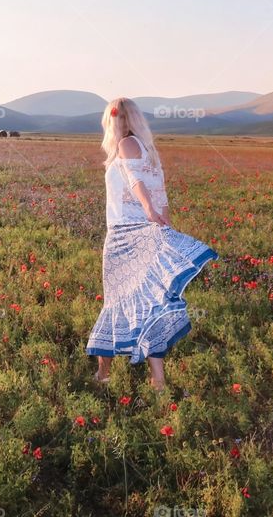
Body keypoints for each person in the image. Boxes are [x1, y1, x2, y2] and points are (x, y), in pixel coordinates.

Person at [85, 97, 219, 392]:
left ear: (114, 120)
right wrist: (164, 225)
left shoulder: (126, 145)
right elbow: (162, 194)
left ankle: (103, 376)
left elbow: (138, 183)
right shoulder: (147, 150)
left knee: (117, 302)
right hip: (144, 232)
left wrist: (147, 210)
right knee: (147, 303)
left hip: (125, 235)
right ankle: (157, 380)